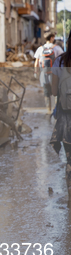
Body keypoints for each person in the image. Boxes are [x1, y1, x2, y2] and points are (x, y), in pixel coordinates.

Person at [50, 33, 71, 201]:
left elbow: (54, 92)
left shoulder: (59, 61)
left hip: (65, 116)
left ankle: (70, 197)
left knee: (69, 160)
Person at [34, 33, 56, 112]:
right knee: (55, 92)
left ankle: (48, 110)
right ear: (52, 38)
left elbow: (36, 63)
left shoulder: (40, 49)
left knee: (46, 92)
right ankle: (56, 109)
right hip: (54, 74)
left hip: (43, 74)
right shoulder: (56, 48)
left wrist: (36, 72)